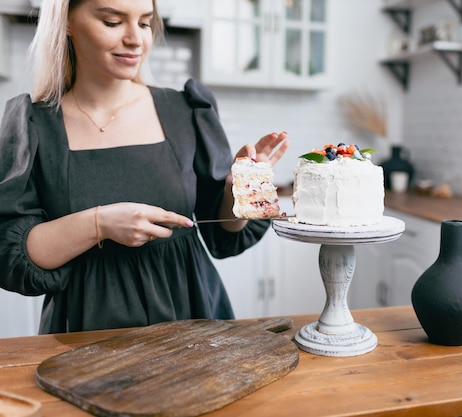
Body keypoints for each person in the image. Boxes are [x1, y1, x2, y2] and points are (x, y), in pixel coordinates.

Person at [0, 0, 289, 334]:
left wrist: (238, 191)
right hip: (84, 331)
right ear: (65, 21)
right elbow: (13, 253)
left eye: (145, 23)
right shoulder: (33, 126)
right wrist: (100, 223)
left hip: (192, 319)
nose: (136, 39)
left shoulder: (186, 110)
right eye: (112, 22)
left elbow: (223, 234)